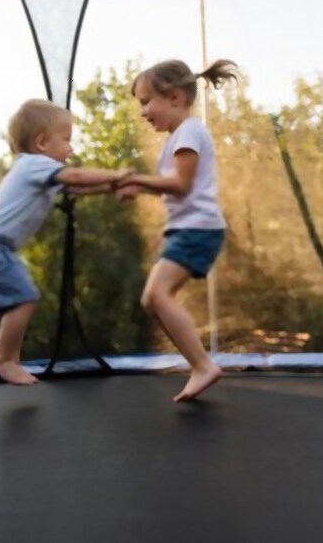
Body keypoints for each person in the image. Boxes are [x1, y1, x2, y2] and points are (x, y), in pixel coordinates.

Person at [0, 99, 130, 386]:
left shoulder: (34, 169)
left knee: (19, 301)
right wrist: (117, 174)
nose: (71, 148)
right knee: (25, 298)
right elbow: (76, 175)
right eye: (66, 140)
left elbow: (76, 186)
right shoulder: (33, 164)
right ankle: (2, 359)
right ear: (41, 143)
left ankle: (9, 360)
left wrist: (111, 187)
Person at [116, 59, 238, 402]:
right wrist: (140, 187)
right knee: (152, 299)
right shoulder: (177, 138)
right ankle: (200, 365)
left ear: (173, 97)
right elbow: (175, 187)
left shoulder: (190, 131)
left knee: (156, 296)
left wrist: (136, 180)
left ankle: (202, 365)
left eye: (145, 102)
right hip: (188, 229)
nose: (142, 112)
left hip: (198, 230)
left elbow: (180, 185)